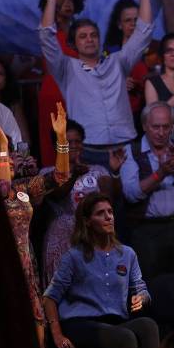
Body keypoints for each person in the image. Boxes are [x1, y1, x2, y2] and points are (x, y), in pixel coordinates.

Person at [43, 193, 165, 348]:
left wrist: (141, 298)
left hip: (113, 322)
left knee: (148, 325)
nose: (109, 217)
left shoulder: (127, 254)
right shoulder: (74, 256)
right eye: (101, 213)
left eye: (110, 212)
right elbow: (49, 297)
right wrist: (57, 334)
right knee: (126, 337)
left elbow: (142, 288)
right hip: (81, 324)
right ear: (87, 221)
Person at [0, 102, 69, 348]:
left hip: (27, 274)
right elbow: (2, 190)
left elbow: (60, 176)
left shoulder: (22, 190)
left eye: (6, 156)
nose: (8, 161)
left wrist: (61, 139)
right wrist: (4, 146)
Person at [39, 0, 153, 168]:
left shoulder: (118, 62)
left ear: (100, 40)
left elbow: (143, 32)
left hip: (125, 145)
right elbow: (46, 36)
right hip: (88, 149)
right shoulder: (66, 68)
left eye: (93, 35)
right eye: (83, 36)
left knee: (132, 190)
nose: (89, 39)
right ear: (73, 44)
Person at [121, 102, 174, 280]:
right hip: (146, 230)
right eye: (156, 127)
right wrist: (160, 174)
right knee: (149, 285)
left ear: (172, 127)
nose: (161, 133)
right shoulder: (132, 151)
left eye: (166, 127)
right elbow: (131, 194)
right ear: (145, 126)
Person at [40, 119, 123, 287]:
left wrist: (115, 173)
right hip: (62, 238)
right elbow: (58, 194)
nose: (73, 145)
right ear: (57, 145)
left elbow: (108, 199)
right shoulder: (47, 173)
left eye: (77, 141)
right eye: (68, 142)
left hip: (92, 235)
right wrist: (74, 175)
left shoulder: (98, 170)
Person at [36, 0, 86, 167]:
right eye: (64, 0)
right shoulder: (50, 27)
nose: (67, 4)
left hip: (78, 93)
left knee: (78, 143)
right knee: (54, 145)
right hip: (53, 92)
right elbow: (55, 3)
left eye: (71, 1)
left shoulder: (82, 33)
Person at [103, 0, 153, 119]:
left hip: (147, 114)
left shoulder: (153, 51)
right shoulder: (109, 52)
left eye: (136, 20)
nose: (133, 24)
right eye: (127, 20)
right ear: (119, 24)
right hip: (118, 114)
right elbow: (101, 83)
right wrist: (119, 83)